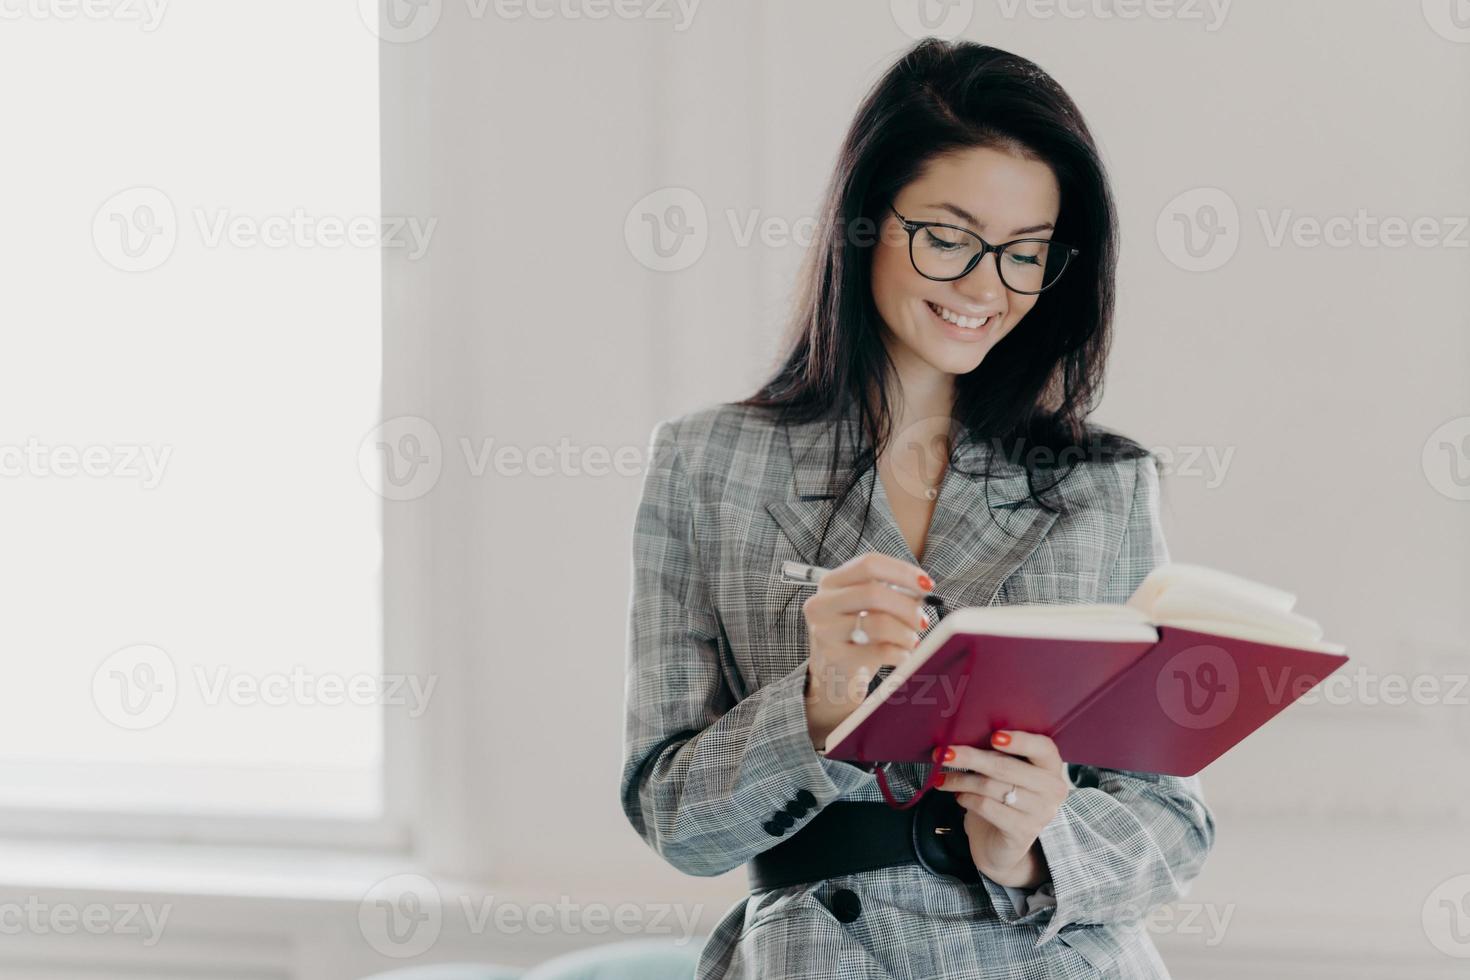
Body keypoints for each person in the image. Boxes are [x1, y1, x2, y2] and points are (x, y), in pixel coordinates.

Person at [620, 37, 1215, 980]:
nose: (987, 288)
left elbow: (1172, 823)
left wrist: (1030, 841)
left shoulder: (1105, 484)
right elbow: (675, 819)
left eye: (1027, 254)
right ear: (865, 221)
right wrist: (815, 709)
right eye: (949, 236)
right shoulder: (708, 466)